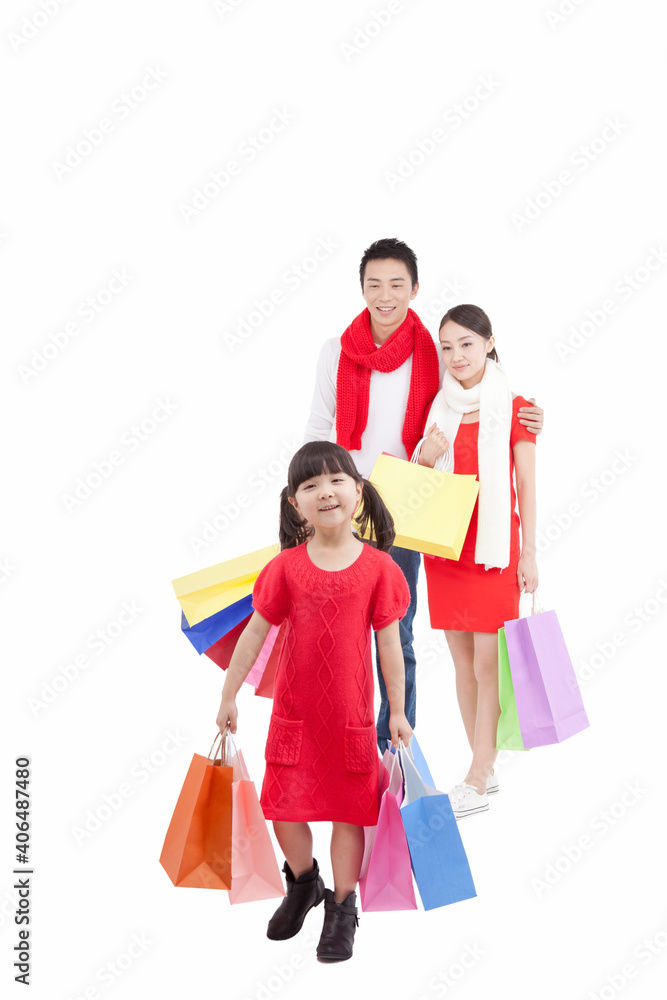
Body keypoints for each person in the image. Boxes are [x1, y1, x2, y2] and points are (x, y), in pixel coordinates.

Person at [304, 237, 544, 751]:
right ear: (361, 289)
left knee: (396, 630)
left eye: (397, 284)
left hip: (409, 504)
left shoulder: (434, 355)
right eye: (374, 284)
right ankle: (341, 739)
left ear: (415, 289)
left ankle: (393, 747)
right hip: (344, 503)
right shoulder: (335, 352)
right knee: (334, 628)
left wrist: (529, 418)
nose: (385, 295)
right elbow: (318, 426)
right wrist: (307, 495)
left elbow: (475, 394)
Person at [216, 441, 412, 963]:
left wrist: (398, 711)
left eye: (335, 480)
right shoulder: (285, 568)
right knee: (281, 807)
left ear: (359, 492)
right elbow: (255, 634)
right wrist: (228, 693)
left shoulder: (379, 569)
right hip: (295, 718)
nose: (325, 492)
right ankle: (304, 883)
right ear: (293, 503)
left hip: (349, 719)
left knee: (349, 815)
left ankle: (343, 908)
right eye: (309, 485)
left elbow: (390, 647)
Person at [414, 304, 538, 819]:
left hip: (493, 552)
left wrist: (530, 550)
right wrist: (424, 456)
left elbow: (526, 484)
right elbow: (424, 485)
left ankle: (478, 772)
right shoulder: (438, 408)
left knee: (490, 663)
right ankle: (480, 770)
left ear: (489, 342)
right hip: (447, 551)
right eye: (447, 347)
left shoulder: (515, 406)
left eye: (466, 343)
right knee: (462, 662)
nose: (456, 356)